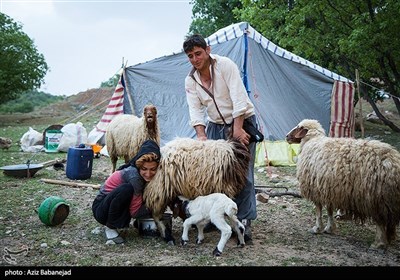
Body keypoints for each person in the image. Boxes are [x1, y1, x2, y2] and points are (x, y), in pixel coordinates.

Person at [183, 34, 258, 243]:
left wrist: (238, 129)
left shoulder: (225, 65)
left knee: (243, 176)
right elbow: (195, 110)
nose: (195, 59)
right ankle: (214, 216)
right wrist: (201, 135)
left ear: (207, 50)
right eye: (190, 56)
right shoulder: (191, 80)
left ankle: (243, 221)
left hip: (241, 119)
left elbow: (239, 98)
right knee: (214, 176)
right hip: (215, 125)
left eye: (198, 53)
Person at [92, 139, 161, 244]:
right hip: (101, 210)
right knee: (127, 189)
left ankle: (139, 223)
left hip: (111, 205)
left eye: (152, 169)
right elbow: (135, 212)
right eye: (144, 169)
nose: (148, 173)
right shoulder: (134, 177)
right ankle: (110, 228)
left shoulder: (145, 176)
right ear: (139, 166)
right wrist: (157, 206)